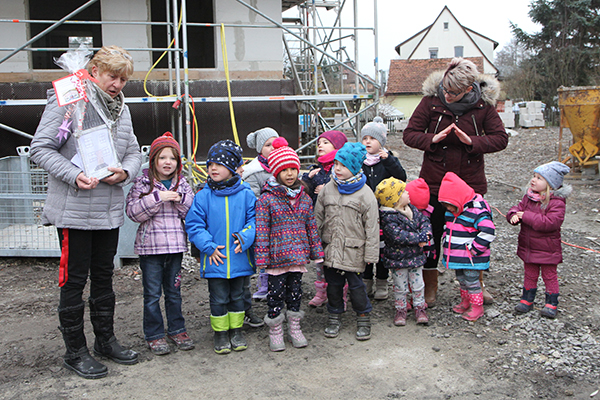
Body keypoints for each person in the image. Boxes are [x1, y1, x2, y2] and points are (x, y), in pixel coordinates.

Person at [30, 45, 141, 379]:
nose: (118, 84)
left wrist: (126, 173)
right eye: (112, 76)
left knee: (105, 278)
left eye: (123, 79)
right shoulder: (68, 100)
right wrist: (73, 175)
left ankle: (106, 340)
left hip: (107, 209)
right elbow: (40, 147)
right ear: (94, 72)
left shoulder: (122, 109)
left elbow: (134, 151)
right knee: (74, 281)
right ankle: (75, 350)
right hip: (74, 211)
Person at [403, 57, 508, 307]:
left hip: (469, 187)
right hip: (434, 184)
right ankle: (430, 288)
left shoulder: (483, 106)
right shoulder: (431, 101)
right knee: (430, 236)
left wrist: (473, 142)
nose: (447, 96)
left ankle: (477, 285)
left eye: (454, 93)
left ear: (469, 89)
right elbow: (409, 135)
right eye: (446, 90)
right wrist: (432, 138)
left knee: (473, 234)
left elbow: (501, 139)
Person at [125, 132, 195, 355]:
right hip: (150, 249)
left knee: (174, 292)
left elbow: (192, 210)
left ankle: (177, 329)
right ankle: (154, 334)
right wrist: (157, 198)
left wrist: (179, 199)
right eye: (163, 157)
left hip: (175, 248)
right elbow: (133, 212)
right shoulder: (143, 183)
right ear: (153, 160)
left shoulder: (182, 184)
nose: (168, 162)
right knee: (152, 294)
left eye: (173, 158)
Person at [185, 140, 256, 354]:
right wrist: (208, 247)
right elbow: (194, 224)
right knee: (218, 298)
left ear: (233, 167)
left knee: (237, 296)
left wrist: (245, 237)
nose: (213, 168)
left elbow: (255, 221)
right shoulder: (203, 196)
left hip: (239, 257)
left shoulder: (246, 194)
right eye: (210, 164)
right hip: (216, 258)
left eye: (220, 164)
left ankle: (236, 330)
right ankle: (220, 333)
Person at [255, 138, 324, 351]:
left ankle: (295, 328)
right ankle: (275, 330)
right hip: (277, 259)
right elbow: (262, 230)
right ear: (276, 172)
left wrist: (316, 251)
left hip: (297, 257)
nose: (290, 174)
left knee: (296, 293)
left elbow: (311, 226)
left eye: (293, 169)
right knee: (275, 295)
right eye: (284, 170)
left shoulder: (304, 199)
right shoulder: (266, 200)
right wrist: (262, 258)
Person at [314, 142, 379, 341]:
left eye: (344, 165)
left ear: (355, 168)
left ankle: (363, 316)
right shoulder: (327, 190)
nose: (338, 169)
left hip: (354, 250)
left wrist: (371, 254)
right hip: (331, 248)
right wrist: (314, 245)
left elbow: (372, 227)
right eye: (336, 164)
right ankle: (334, 316)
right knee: (333, 286)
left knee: (357, 287)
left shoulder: (366, 194)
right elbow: (317, 217)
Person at [507, 161, 571, 319]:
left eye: (539, 178)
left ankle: (551, 302)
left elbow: (551, 223)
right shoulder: (529, 197)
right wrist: (513, 215)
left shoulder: (556, 202)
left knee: (549, 275)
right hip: (528, 246)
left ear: (550, 184)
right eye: (534, 176)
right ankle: (527, 299)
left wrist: (525, 216)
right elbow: (518, 208)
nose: (533, 180)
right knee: (529, 273)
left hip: (547, 248)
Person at [438, 172, 496, 321]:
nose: (449, 210)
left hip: (471, 257)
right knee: (461, 278)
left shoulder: (477, 211)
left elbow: (489, 231)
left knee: (472, 280)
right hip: (458, 255)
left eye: (451, 206)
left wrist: (475, 249)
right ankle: (466, 301)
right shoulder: (454, 211)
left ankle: (477, 306)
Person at [360, 116, 407, 300]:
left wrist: (389, 160)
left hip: (384, 213)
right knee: (366, 247)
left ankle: (381, 281)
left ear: (381, 141)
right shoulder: (360, 161)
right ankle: (366, 282)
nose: (368, 142)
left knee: (381, 248)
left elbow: (401, 177)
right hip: (364, 213)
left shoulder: (387, 159)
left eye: (372, 138)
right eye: (365, 138)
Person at [375, 178, 432, 326]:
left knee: (418, 284)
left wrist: (426, 234)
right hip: (398, 259)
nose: (408, 193)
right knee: (400, 286)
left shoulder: (412, 209)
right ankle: (401, 309)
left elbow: (424, 221)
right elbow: (397, 236)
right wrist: (419, 237)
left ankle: (420, 307)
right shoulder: (388, 217)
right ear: (395, 199)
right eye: (404, 191)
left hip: (416, 256)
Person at [301, 130, 348, 308]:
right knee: (320, 260)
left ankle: (340, 294)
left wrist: (327, 189)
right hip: (318, 223)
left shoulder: (342, 170)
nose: (320, 145)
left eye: (326, 142)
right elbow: (303, 192)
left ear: (338, 147)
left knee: (338, 261)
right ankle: (321, 291)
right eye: (319, 142)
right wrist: (307, 178)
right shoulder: (315, 170)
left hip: (337, 223)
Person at [242, 127, 279, 306]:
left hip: (282, 220)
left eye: (275, 143)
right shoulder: (253, 172)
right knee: (264, 252)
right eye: (267, 145)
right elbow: (253, 198)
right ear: (259, 149)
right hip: (264, 220)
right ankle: (264, 283)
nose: (272, 147)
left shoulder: (284, 166)